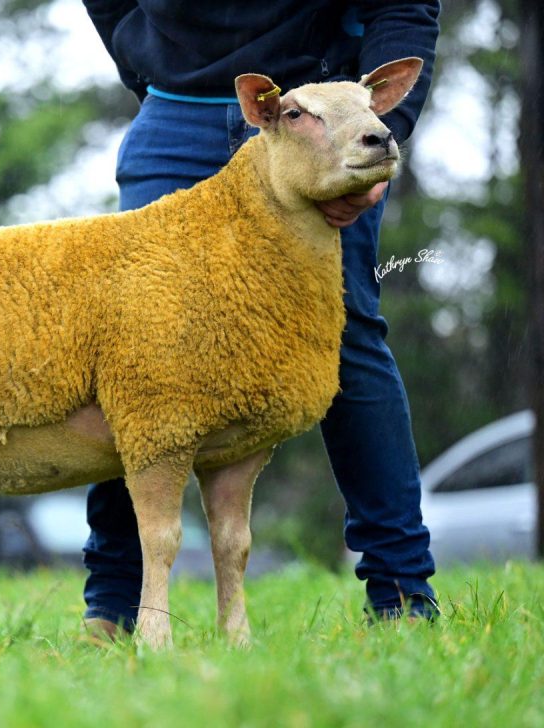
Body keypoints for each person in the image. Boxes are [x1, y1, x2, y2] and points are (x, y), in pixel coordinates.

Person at [80, 0, 441, 637]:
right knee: (138, 351)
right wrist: (146, 54)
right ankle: (113, 606)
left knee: (347, 329)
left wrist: (377, 130)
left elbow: (403, 6)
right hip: (176, 119)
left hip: (322, 118)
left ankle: (402, 596)